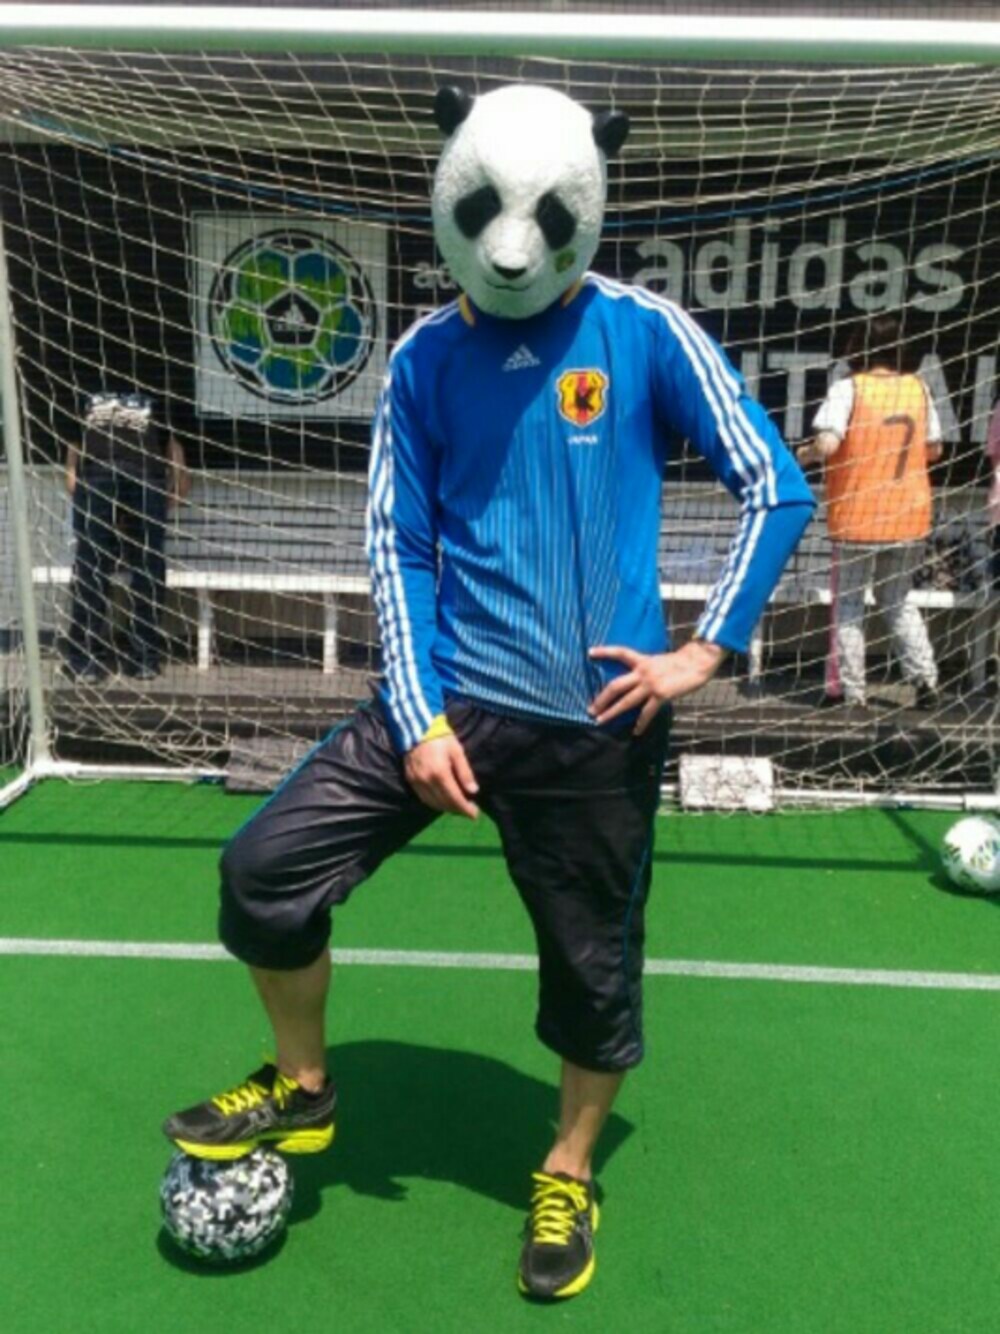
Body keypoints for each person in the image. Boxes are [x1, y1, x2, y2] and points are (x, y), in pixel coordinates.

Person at [162, 84, 814, 1301]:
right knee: (262, 871)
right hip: (449, 705)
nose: (513, 247)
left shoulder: (643, 331)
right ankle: (303, 1085)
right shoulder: (422, 357)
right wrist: (417, 719)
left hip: (597, 725)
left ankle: (567, 1165)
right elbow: (396, 546)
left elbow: (775, 486)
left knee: (592, 973)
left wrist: (703, 650)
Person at [797, 313, 943, 710]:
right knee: (897, 600)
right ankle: (925, 680)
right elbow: (934, 450)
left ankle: (853, 692)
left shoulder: (848, 388)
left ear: (857, 347)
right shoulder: (919, 388)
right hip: (909, 514)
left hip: (858, 514)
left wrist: (804, 454)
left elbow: (828, 444)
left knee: (849, 606)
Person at [63, 390, 189, 682]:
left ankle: (126, 657)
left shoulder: (157, 388)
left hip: (133, 471)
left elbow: (174, 446)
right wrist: (74, 478)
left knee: (134, 565)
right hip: (111, 471)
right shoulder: (87, 390)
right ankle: (102, 658)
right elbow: (73, 447)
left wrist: (177, 483)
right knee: (102, 564)